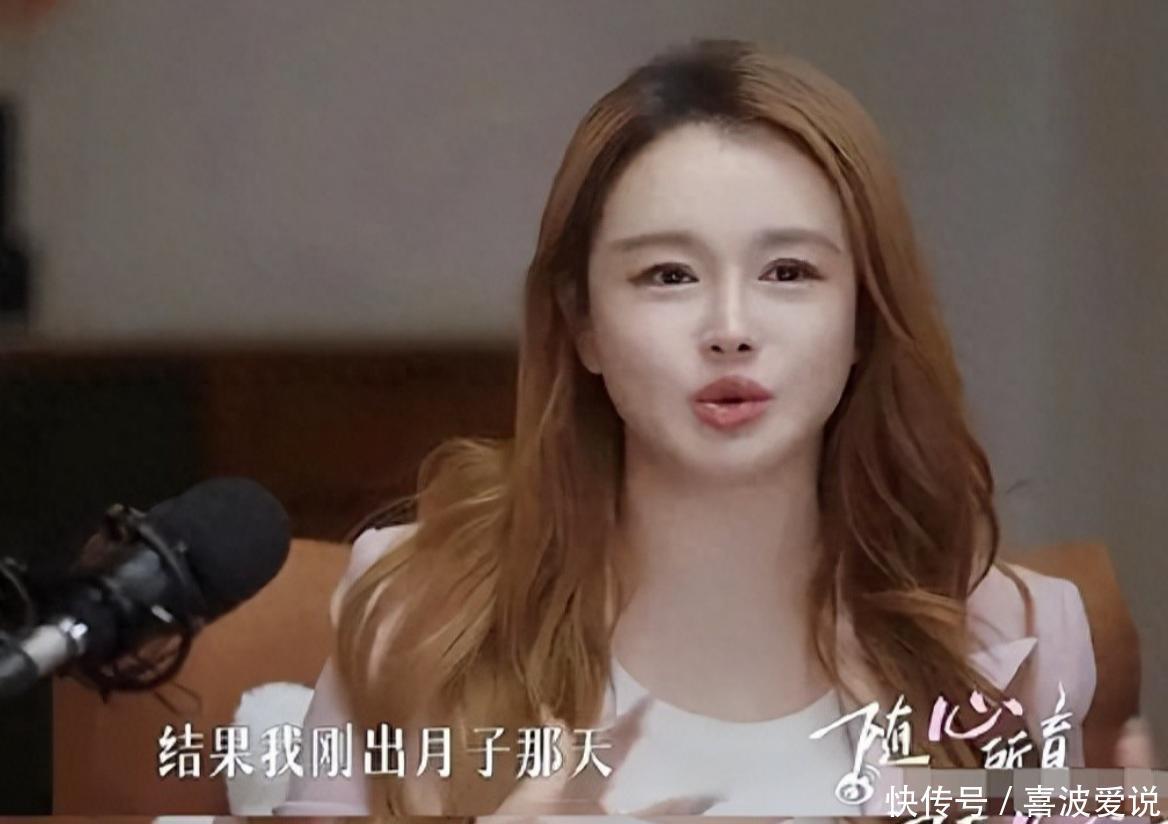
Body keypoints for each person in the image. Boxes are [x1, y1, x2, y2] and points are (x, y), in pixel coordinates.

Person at [276, 38, 1145, 819]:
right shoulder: (415, 607)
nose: (730, 328)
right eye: (668, 275)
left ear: (863, 318)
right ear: (582, 324)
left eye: (788, 272)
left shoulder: (1020, 642)